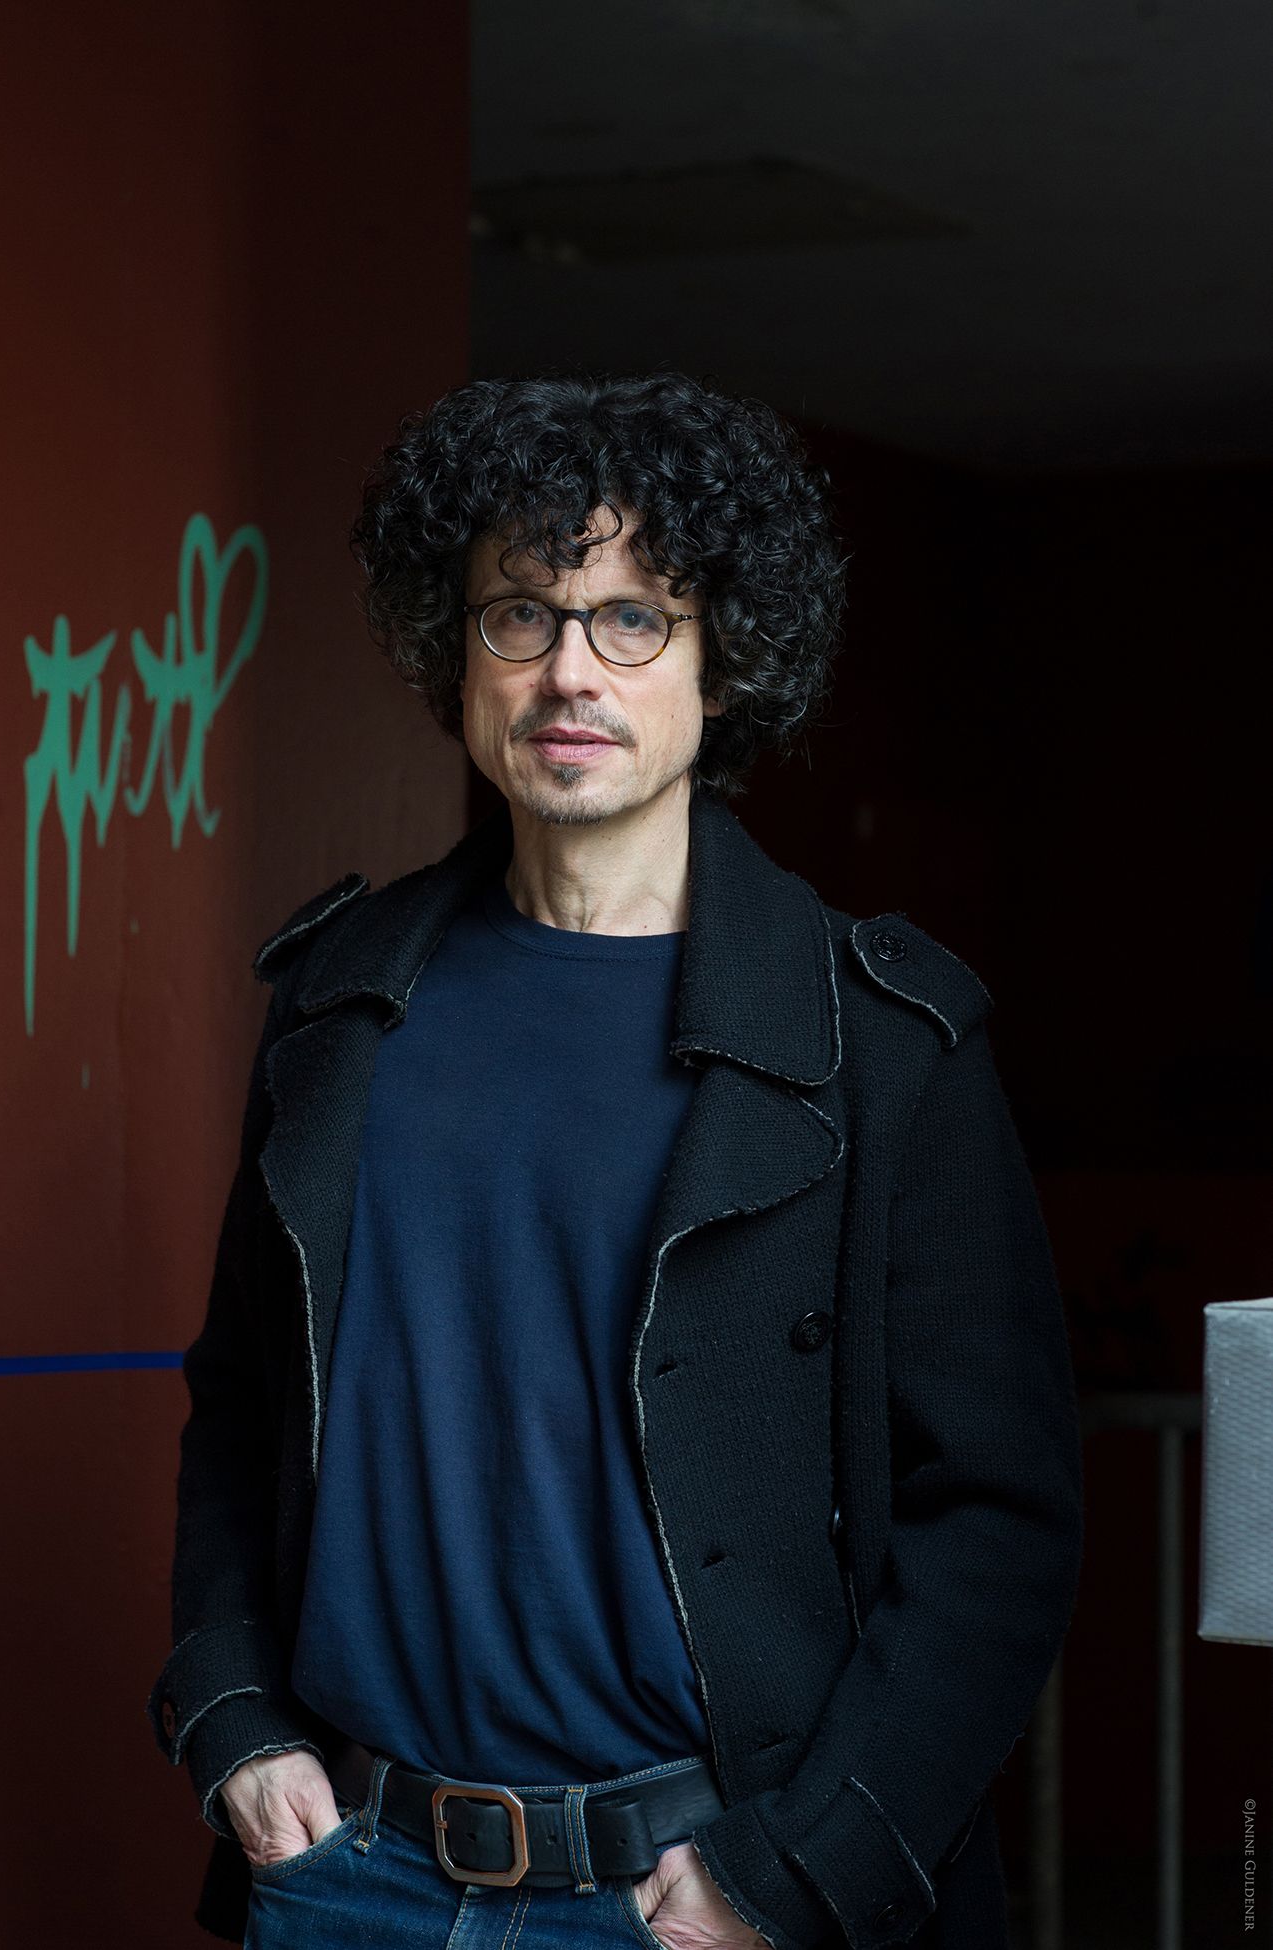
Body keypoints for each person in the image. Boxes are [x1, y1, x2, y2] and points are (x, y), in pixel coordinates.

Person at [147, 369, 1083, 1950]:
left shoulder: (881, 1041)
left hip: (698, 1894)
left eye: (633, 617)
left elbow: (997, 1518)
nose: (568, 668)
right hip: (350, 1878)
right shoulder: (338, 1005)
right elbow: (243, 1404)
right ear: (456, 656)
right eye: (520, 613)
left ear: (724, 660)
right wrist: (229, 1708)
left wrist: (797, 1871)